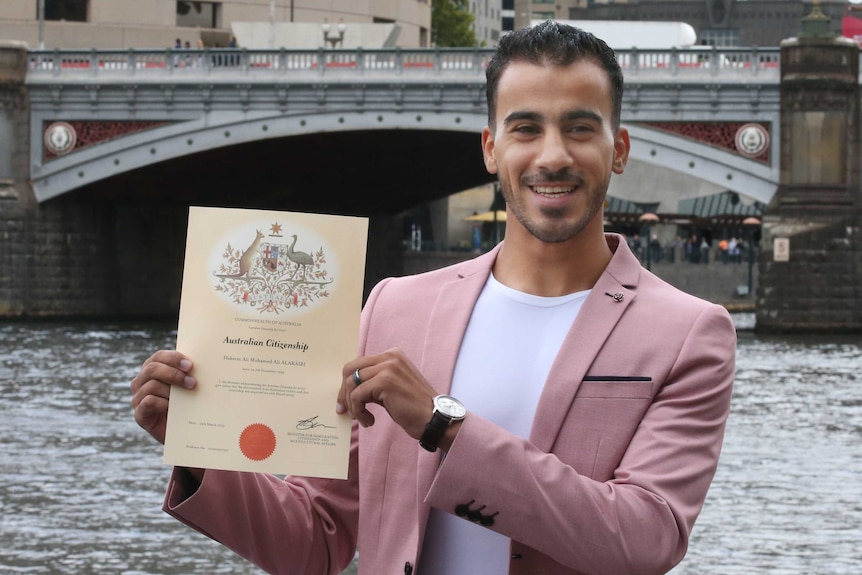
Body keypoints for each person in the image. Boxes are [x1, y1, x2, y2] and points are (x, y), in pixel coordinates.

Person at [130, 21, 735, 575]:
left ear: (619, 149)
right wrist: (197, 447)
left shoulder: (688, 333)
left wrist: (445, 426)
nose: (553, 155)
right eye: (526, 128)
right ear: (491, 149)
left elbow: (644, 539)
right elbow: (314, 539)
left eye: (580, 128)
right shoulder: (394, 307)